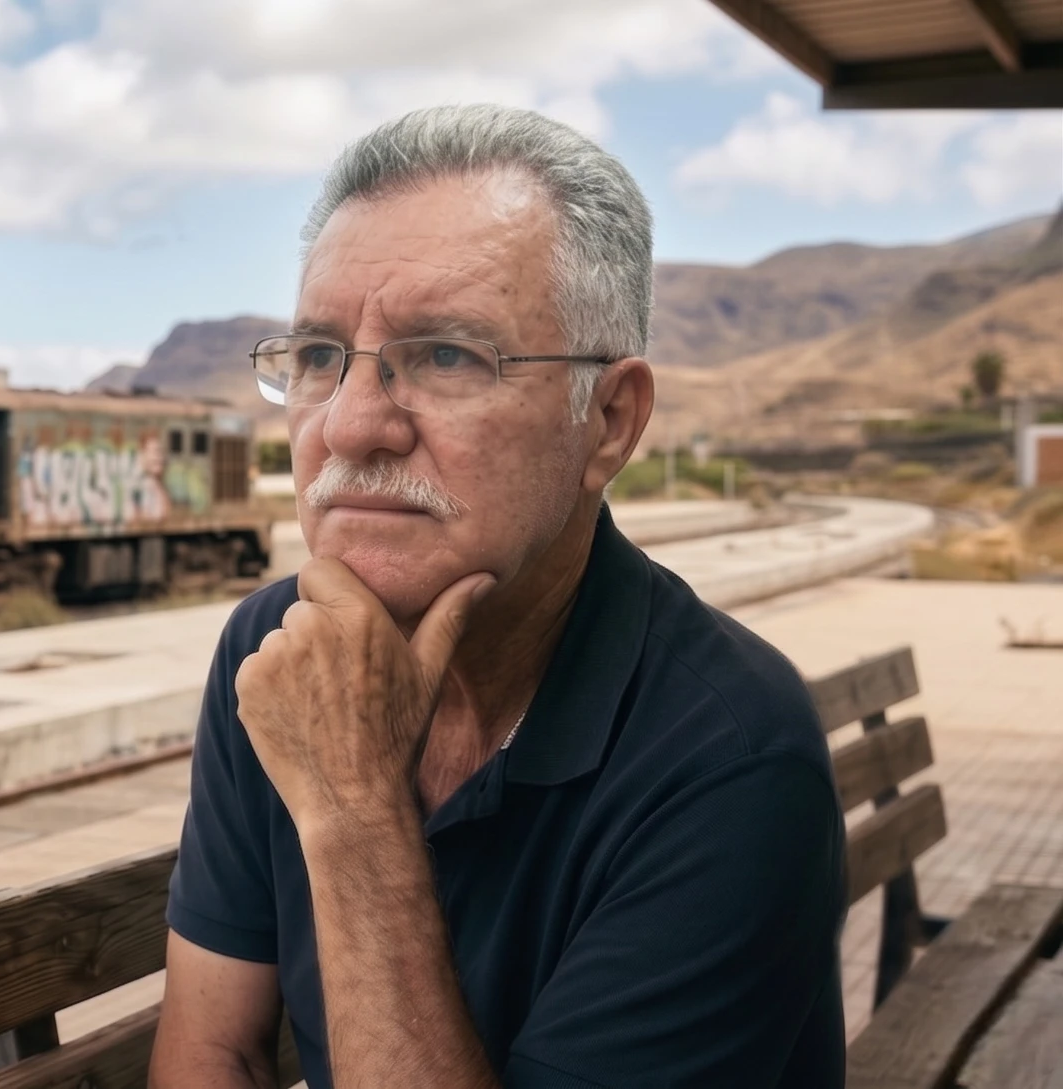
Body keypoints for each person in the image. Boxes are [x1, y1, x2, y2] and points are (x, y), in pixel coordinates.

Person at [148, 105, 845, 1089]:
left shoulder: (728, 758)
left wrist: (353, 813)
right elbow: (209, 1053)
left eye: (443, 356)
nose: (349, 427)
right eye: (316, 358)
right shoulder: (276, 645)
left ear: (606, 420)